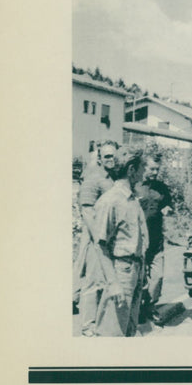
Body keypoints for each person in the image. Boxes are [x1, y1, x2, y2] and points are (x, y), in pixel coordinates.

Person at [93, 146, 149, 337]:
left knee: (129, 331)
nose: (144, 172)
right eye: (142, 167)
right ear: (131, 170)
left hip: (135, 269)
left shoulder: (132, 198)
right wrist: (114, 283)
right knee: (112, 335)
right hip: (121, 272)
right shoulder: (110, 201)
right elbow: (101, 246)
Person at [74, 140, 118, 337]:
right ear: (99, 159)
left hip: (113, 240)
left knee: (108, 282)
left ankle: (103, 323)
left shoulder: (114, 178)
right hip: (96, 240)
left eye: (113, 155)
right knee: (92, 284)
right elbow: (87, 212)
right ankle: (87, 326)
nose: (111, 159)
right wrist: (99, 241)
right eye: (107, 156)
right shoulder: (93, 179)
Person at [136, 154, 172, 324]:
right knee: (140, 277)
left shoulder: (162, 188)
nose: (155, 172)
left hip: (157, 240)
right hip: (138, 240)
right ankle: (139, 310)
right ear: (144, 167)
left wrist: (167, 209)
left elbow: (167, 204)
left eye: (157, 169)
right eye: (152, 169)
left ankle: (150, 307)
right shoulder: (134, 187)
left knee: (157, 277)